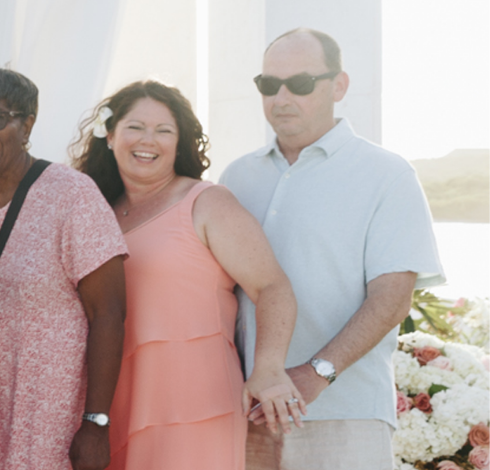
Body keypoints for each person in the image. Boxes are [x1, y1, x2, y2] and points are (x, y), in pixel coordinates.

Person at [221, 29, 443, 470]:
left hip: (347, 412)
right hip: (248, 412)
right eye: (268, 85)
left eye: (300, 84)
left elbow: (393, 297)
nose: (281, 97)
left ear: (338, 86)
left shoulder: (387, 174)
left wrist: (316, 373)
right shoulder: (236, 177)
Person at [65, 79, 306, 469]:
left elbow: (272, 287)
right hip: (111, 399)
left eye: (164, 130)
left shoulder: (206, 202)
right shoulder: (94, 213)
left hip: (195, 400)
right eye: (135, 127)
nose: (149, 140)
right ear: (109, 136)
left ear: (179, 144)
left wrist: (269, 368)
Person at [0, 69, 130, 470]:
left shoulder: (72, 193)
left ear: (27, 123)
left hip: (44, 408)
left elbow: (109, 313)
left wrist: (95, 423)